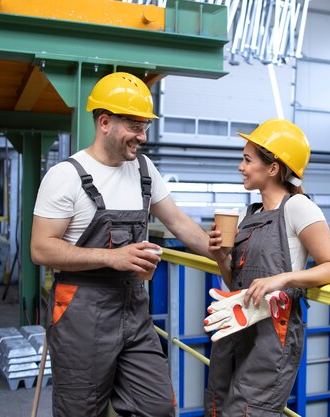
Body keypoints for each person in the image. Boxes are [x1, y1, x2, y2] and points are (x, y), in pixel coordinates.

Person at [30, 72, 211, 417]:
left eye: (144, 127)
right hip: (81, 309)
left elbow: (177, 221)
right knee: (81, 410)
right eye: (134, 127)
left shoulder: (143, 168)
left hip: (133, 310)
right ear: (104, 122)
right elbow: (41, 249)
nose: (142, 137)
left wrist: (222, 254)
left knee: (157, 407)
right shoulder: (65, 176)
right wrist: (113, 257)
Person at [203, 118, 330, 416]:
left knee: (247, 411)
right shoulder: (248, 214)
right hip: (236, 326)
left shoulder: (298, 208)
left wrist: (282, 279)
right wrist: (221, 256)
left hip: (271, 336)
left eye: (247, 159)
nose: (240, 167)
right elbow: (237, 284)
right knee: (217, 406)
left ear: (273, 168)